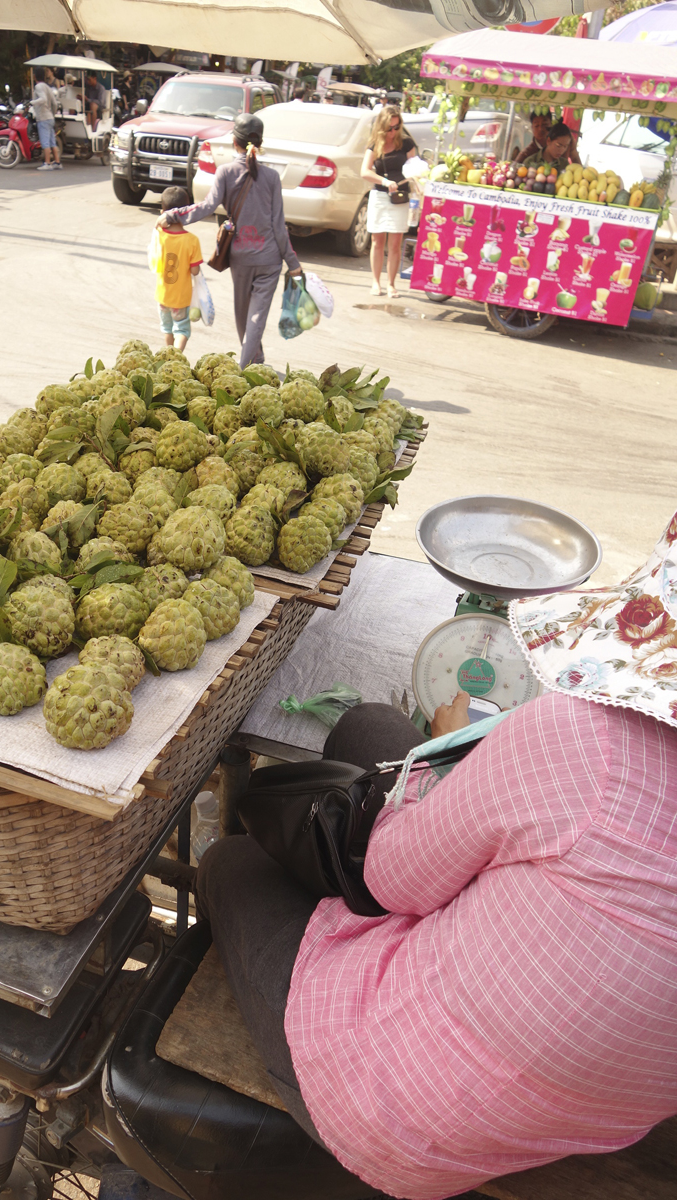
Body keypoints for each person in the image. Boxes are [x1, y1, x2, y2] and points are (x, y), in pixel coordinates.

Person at [196, 509, 677, 1200]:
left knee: (232, 866)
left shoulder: (586, 739)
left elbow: (391, 880)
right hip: (593, 1109)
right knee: (370, 727)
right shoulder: (575, 750)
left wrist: (447, 756)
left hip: (403, 1115)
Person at [156, 113, 302, 368]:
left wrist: (173, 214)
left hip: (241, 257)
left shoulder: (225, 172)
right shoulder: (271, 177)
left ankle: (245, 368)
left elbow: (206, 207)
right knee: (256, 317)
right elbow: (279, 226)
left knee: (244, 316)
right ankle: (255, 359)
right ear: (259, 143)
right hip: (269, 259)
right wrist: (293, 262)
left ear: (235, 140)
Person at [361, 104, 417, 297]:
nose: (393, 132)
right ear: (382, 126)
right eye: (389, 128)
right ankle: (376, 282)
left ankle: (391, 284)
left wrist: (416, 180)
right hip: (380, 195)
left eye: (396, 127)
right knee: (377, 241)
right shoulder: (374, 144)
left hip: (400, 198)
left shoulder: (406, 143)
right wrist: (384, 181)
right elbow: (365, 171)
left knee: (395, 243)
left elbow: (415, 167)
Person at [153, 186, 203, 353]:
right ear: (187, 212)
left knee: (167, 329)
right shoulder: (191, 240)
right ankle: (176, 357)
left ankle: (168, 354)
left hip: (163, 295)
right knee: (181, 330)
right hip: (181, 297)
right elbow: (195, 271)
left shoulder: (159, 234)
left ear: (163, 212)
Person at [30, 66, 61, 172]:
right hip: (50, 117)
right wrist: (52, 113)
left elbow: (42, 99)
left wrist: (32, 103)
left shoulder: (38, 86)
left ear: (34, 76)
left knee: (45, 142)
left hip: (43, 118)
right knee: (52, 141)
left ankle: (47, 163)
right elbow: (54, 103)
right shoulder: (48, 87)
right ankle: (57, 162)